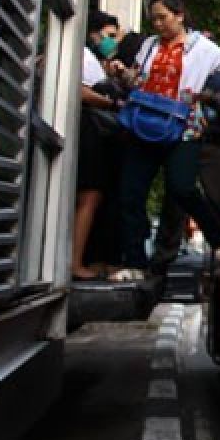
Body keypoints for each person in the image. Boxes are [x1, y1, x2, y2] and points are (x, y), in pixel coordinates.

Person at [108, 0, 220, 280]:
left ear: (180, 15)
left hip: (184, 127)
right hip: (145, 124)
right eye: (154, 19)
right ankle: (135, 263)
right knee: (130, 193)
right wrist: (122, 73)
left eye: (163, 18)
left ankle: (217, 238)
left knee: (183, 188)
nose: (158, 25)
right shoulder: (149, 45)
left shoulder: (203, 48)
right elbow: (137, 80)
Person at [72, 15, 122, 281]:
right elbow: (77, 89)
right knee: (88, 196)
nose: (111, 41)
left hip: (87, 133)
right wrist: (111, 104)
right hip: (82, 131)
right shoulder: (77, 53)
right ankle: (75, 263)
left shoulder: (96, 62)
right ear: (92, 34)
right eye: (107, 35)